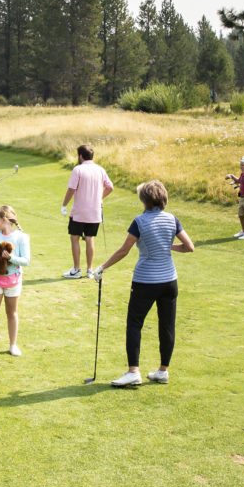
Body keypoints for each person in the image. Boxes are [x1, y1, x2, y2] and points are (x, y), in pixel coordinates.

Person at [89, 180, 195, 387]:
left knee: (135, 323)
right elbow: (189, 246)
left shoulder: (139, 221)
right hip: (169, 281)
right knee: (167, 325)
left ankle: (133, 372)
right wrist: (167, 246)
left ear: (144, 200)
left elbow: (124, 250)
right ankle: (163, 371)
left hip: (146, 281)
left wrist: (102, 267)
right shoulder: (172, 219)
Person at [0, 205, 30, 356]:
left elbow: (26, 260)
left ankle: (13, 345)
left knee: (12, 313)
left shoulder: (21, 237)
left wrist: (11, 258)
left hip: (13, 282)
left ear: (4, 220)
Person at [61, 144, 114, 279]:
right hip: (95, 212)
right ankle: (89, 270)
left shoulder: (78, 169)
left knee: (75, 238)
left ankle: (76, 270)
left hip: (79, 212)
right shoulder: (100, 170)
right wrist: (100, 198)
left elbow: (71, 189)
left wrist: (64, 205)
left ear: (80, 156)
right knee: (90, 239)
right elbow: (110, 187)